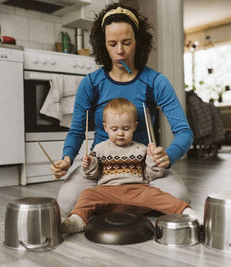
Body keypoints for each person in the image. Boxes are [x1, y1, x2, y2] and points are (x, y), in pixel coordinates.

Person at [50, 3, 194, 216]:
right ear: (103, 45)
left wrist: (168, 156)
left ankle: (110, 202)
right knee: (66, 201)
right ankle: (134, 201)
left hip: (144, 169)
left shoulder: (155, 81)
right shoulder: (90, 83)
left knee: (180, 198)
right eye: (112, 43)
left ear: (138, 42)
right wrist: (67, 159)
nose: (120, 51)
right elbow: (77, 132)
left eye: (127, 42)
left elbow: (185, 133)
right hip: (101, 168)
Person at [62, 98, 196, 233]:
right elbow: (93, 175)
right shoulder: (99, 148)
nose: (120, 133)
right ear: (106, 128)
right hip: (108, 192)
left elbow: (151, 175)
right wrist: (89, 165)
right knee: (88, 194)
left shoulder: (141, 149)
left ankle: (188, 213)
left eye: (126, 128)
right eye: (114, 129)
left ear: (134, 127)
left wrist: (151, 159)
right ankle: (77, 221)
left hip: (138, 191)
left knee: (158, 194)